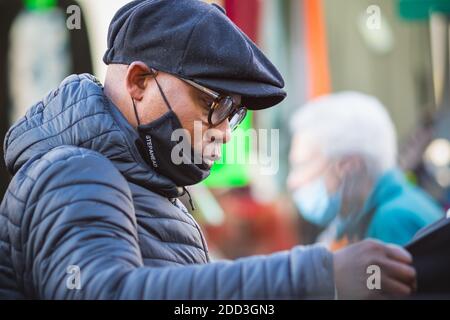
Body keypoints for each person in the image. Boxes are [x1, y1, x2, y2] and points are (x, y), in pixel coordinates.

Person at [0, 0, 415, 299]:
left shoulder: (145, 183)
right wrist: (315, 276)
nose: (225, 131)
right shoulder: (71, 173)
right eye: (214, 105)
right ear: (139, 82)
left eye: (234, 114)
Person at [288, 92, 443, 249]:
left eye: (302, 165)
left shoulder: (390, 222)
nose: (292, 181)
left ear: (349, 166)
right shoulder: (396, 205)